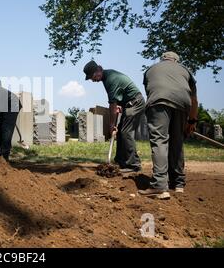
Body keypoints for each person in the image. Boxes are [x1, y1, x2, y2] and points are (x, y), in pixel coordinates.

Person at [138, 52, 198, 200]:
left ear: (162, 60)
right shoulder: (185, 70)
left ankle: (159, 185)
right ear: (176, 61)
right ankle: (178, 184)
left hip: (159, 102)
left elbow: (150, 92)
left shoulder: (150, 70)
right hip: (183, 103)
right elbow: (194, 100)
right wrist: (192, 121)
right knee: (177, 141)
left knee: (160, 141)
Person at [84, 60, 145, 173]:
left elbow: (112, 104)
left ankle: (133, 165)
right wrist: (120, 105)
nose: (92, 80)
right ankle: (121, 161)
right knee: (121, 132)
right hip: (128, 104)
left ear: (98, 70)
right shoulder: (106, 77)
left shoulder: (111, 78)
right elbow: (116, 100)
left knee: (126, 132)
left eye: (92, 77)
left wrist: (111, 125)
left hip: (135, 103)